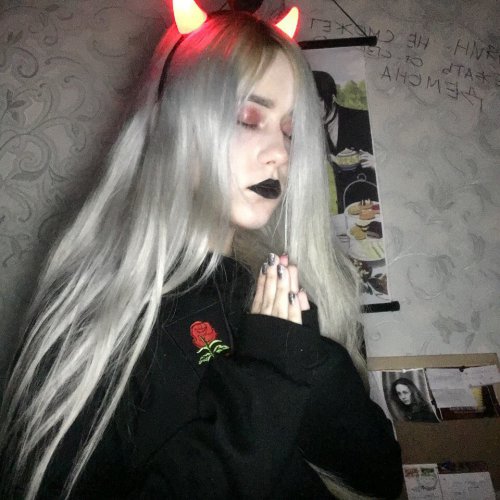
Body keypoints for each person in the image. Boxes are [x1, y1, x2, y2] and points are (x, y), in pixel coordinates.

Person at [0, 7, 403, 500]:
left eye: (290, 130)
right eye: (249, 119)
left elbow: (379, 473)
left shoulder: (279, 293)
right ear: (175, 126)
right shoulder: (95, 323)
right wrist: (268, 378)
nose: (280, 153)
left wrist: (302, 353)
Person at [313, 70, 377, 213]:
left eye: (317, 101)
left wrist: (376, 163)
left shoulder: (362, 119)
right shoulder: (310, 131)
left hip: (372, 200)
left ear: (332, 98)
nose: (312, 109)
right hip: (343, 204)